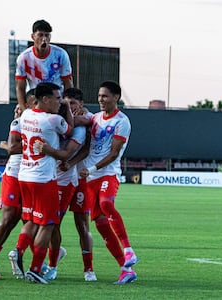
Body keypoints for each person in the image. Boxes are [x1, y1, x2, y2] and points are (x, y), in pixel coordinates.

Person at [8, 82, 73, 284]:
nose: (60, 101)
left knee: (31, 220)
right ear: (45, 99)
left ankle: (18, 250)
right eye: (57, 97)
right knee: (48, 224)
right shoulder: (53, 120)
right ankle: (35, 269)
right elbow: (69, 130)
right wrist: (69, 109)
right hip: (44, 179)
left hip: (25, 176)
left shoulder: (26, 115)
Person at [78, 80, 139, 284]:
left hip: (107, 173)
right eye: (99, 96)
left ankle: (129, 250)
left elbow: (114, 154)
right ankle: (125, 269)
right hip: (90, 179)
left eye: (105, 96)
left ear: (116, 97)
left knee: (106, 203)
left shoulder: (122, 121)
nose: (101, 100)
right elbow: (80, 126)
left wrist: (92, 168)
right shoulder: (94, 118)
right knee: (102, 225)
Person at [36, 88, 95, 282]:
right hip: (60, 179)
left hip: (79, 178)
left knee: (82, 224)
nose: (69, 109)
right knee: (53, 224)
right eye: (65, 104)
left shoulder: (85, 121)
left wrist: (70, 162)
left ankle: (88, 269)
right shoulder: (55, 120)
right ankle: (52, 265)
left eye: (73, 105)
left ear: (81, 105)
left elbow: (86, 148)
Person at [0, 90, 36, 279]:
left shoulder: (43, 120)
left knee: (30, 221)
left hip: (32, 176)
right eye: (33, 102)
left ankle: (36, 261)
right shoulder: (19, 121)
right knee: (9, 218)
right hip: (15, 174)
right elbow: (12, 148)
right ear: (26, 104)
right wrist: (39, 144)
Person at [15, 19, 73, 112]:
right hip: (35, 101)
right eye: (40, 35)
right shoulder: (24, 58)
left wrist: (66, 106)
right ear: (33, 36)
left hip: (56, 101)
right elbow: (20, 87)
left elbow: (68, 82)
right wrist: (24, 110)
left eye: (47, 35)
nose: (44, 39)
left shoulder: (60, 54)